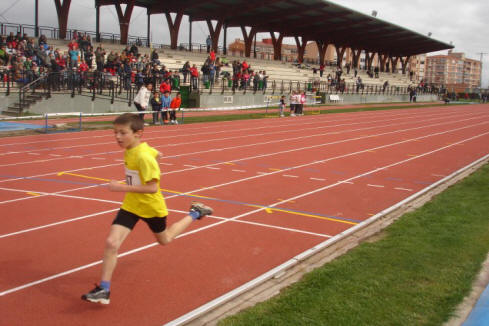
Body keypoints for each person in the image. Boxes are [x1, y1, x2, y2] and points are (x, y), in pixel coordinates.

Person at [81, 113, 213, 304]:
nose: (117, 137)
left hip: (152, 207)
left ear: (138, 133)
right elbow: (155, 152)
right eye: (115, 133)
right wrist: (157, 154)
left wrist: (121, 187)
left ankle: (196, 212)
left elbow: (152, 187)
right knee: (111, 243)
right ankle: (104, 289)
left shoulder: (142, 156)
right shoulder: (135, 148)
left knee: (165, 239)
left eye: (122, 133)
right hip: (131, 205)